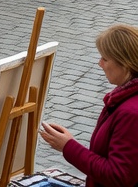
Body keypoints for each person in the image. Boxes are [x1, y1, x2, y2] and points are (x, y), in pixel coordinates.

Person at [39, 24, 138, 187]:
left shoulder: (131, 113)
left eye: (105, 59)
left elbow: (119, 176)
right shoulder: (124, 98)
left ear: (125, 64)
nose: (100, 63)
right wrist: (69, 143)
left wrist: (68, 147)